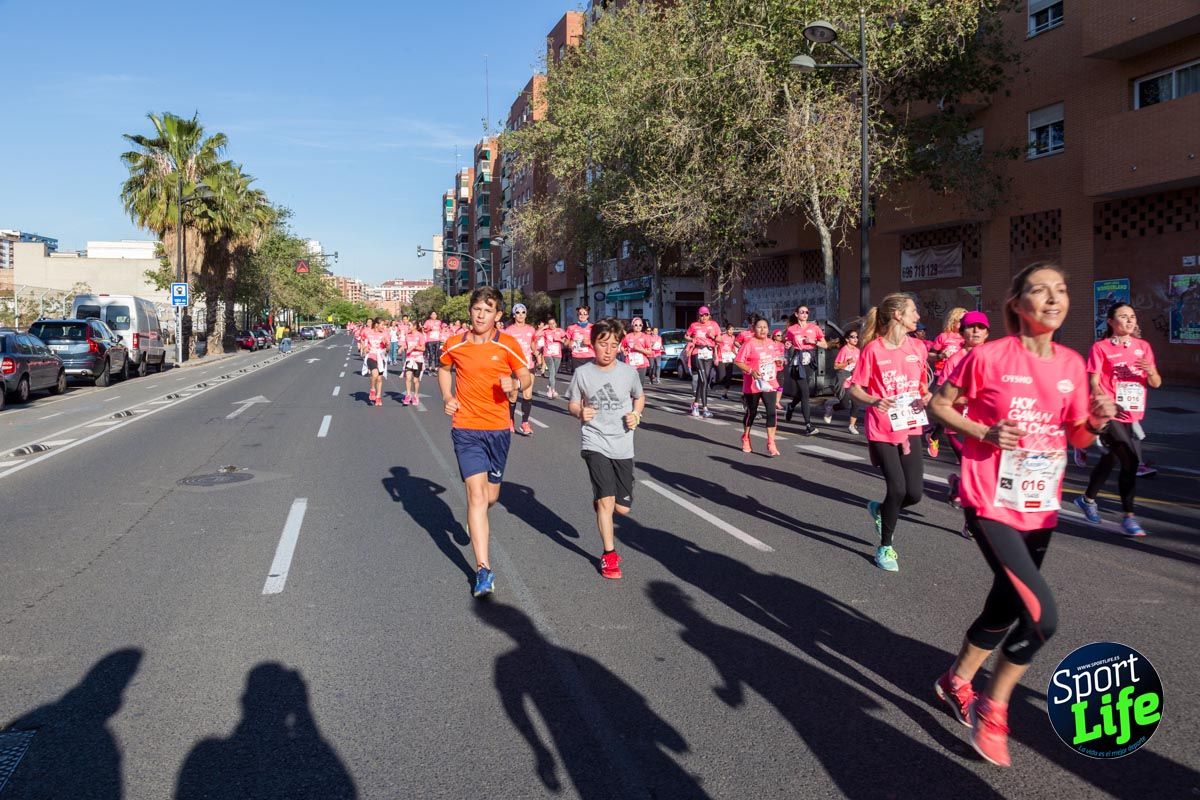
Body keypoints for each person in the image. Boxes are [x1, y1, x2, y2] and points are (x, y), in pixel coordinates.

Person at [928, 262, 1116, 768]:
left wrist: (1096, 419)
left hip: (1039, 504)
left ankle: (955, 680)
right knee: (1041, 616)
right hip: (989, 498)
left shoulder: (1073, 365)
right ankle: (994, 707)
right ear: (1017, 303)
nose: (1053, 299)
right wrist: (984, 432)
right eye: (1039, 290)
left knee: (1004, 607)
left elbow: (1076, 436)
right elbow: (939, 405)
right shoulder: (988, 357)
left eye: (1061, 290)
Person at [438, 287, 533, 598]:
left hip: (498, 430)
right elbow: (443, 368)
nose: (480, 315)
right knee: (476, 498)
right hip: (465, 428)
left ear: (498, 316)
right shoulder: (455, 343)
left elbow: (527, 376)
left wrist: (515, 384)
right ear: (470, 311)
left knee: (491, 497)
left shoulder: (507, 344)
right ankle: (483, 569)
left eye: (487, 310)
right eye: (476, 309)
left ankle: (476, 520)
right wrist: (448, 396)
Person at [849, 295, 931, 572]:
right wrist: (873, 401)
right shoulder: (873, 350)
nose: (917, 316)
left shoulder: (919, 347)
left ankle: (881, 510)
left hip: (911, 425)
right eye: (913, 311)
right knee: (896, 488)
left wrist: (926, 396)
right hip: (882, 427)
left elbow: (922, 385)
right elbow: (854, 388)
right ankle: (885, 547)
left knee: (915, 494)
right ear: (897, 314)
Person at [567, 318, 646, 579]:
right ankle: (609, 555)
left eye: (613, 345)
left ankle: (603, 501)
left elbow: (639, 396)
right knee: (606, 501)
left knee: (622, 509)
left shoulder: (628, 373)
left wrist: (636, 414)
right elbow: (573, 404)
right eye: (603, 344)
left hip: (623, 444)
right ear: (593, 345)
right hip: (595, 441)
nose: (608, 350)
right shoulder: (582, 373)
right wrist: (581, 411)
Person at [1075, 302, 1163, 536]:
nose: (1129, 320)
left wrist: (1150, 370)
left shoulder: (1143, 347)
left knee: (1111, 460)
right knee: (1131, 460)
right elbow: (1093, 382)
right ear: (1111, 322)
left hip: (1132, 413)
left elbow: (1156, 382)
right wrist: (1104, 401)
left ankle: (1087, 499)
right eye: (1123, 317)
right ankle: (1129, 517)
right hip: (1109, 413)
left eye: (1132, 316)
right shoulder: (1101, 347)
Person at [940, 310, 991, 522]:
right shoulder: (955, 360)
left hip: (985, 425)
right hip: (957, 424)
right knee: (971, 467)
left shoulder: (993, 358)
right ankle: (971, 523)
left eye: (981, 327)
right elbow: (941, 395)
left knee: (980, 471)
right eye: (971, 327)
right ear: (962, 332)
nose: (976, 331)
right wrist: (970, 399)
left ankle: (957, 485)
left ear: (987, 333)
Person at [733, 316, 781, 456]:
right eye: (759, 327)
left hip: (769, 383)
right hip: (753, 384)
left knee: (771, 412)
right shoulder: (749, 344)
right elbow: (738, 361)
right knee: (752, 412)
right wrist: (750, 371)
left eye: (765, 327)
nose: (762, 329)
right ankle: (746, 437)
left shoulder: (772, 343)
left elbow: (773, 360)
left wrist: (777, 364)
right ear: (754, 329)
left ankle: (771, 442)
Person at [926, 308, 968, 458]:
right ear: (953, 320)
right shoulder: (944, 337)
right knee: (946, 409)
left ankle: (936, 435)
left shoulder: (967, 338)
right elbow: (929, 355)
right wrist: (941, 355)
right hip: (942, 376)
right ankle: (935, 437)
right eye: (962, 320)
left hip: (960, 378)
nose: (965, 324)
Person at [784, 305, 828, 435]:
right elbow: (788, 342)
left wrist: (813, 341)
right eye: (802, 312)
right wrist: (788, 344)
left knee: (804, 391)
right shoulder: (792, 329)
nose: (804, 314)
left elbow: (825, 344)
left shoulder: (814, 328)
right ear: (796, 314)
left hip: (810, 361)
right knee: (805, 393)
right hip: (798, 361)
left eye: (807, 312)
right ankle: (808, 425)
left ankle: (791, 406)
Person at [505, 304, 539, 436]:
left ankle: (525, 422)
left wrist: (536, 353)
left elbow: (533, 344)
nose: (520, 315)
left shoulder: (531, 329)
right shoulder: (509, 331)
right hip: (514, 367)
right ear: (514, 315)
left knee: (527, 395)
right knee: (513, 395)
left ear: (526, 314)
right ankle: (510, 419)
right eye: (517, 312)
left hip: (528, 365)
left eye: (523, 312)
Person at [823, 328, 862, 435]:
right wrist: (848, 362)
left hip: (854, 380)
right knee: (845, 405)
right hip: (843, 380)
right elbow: (836, 366)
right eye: (852, 337)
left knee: (856, 404)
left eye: (856, 337)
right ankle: (831, 408)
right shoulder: (844, 350)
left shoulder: (858, 351)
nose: (855, 339)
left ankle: (852, 425)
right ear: (847, 339)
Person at [685, 306, 720, 418]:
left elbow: (720, 339)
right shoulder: (694, 325)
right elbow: (686, 336)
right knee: (704, 380)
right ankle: (705, 408)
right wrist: (692, 339)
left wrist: (713, 336)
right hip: (697, 353)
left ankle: (695, 404)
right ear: (698, 315)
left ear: (709, 315)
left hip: (708, 354)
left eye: (706, 315)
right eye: (701, 315)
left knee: (703, 381)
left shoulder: (714, 325)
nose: (704, 317)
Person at [363, 319, 390, 407]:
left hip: (381, 358)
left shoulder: (385, 334)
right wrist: (365, 348)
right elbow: (365, 344)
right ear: (376, 325)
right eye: (382, 325)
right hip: (371, 356)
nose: (383, 326)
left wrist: (387, 345)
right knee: (374, 374)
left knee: (379, 379)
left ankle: (378, 397)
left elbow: (388, 350)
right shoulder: (368, 333)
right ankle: (372, 389)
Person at [620, 317, 654, 386]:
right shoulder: (628, 336)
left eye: (640, 325)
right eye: (636, 325)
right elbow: (622, 347)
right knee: (630, 384)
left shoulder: (645, 337)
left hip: (642, 363)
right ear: (632, 326)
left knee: (639, 385)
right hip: (630, 363)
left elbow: (650, 351)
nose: (638, 327)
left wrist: (640, 350)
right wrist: (624, 351)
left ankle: (638, 396)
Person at [539, 317, 565, 398]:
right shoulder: (546, 332)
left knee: (554, 373)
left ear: (556, 323)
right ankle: (551, 390)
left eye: (553, 323)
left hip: (558, 355)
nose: (552, 325)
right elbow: (536, 335)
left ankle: (551, 387)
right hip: (548, 354)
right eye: (550, 324)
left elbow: (566, 340)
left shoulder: (560, 331)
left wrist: (560, 340)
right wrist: (543, 327)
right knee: (552, 372)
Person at [401, 323, 426, 405]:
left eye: (410, 326)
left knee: (415, 380)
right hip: (409, 359)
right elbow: (405, 345)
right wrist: (401, 348)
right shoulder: (407, 335)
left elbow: (423, 348)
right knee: (408, 377)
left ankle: (415, 395)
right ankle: (408, 395)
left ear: (415, 327)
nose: (408, 327)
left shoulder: (420, 335)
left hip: (418, 359)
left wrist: (415, 347)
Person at [565, 306, 595, 372]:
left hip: (590, 356)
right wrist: (569, 344)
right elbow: (566, 342)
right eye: (580, 314)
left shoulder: (592, 327)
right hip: (576, 356)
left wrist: (589, 342)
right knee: (578, 378)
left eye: (585, 314)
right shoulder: (571, 328)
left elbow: (598, 343)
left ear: (588, 316)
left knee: (589, 378)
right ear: (577, 315)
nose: (582, 315)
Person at [714, 323, 738, 399]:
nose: (731, 331)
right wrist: (716, 357)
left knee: (728, 377)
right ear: (726, 330)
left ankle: (724, 394)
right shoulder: (722, 337)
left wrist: (737, 354)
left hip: (729, 359)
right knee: (721, 377)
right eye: (729, 329)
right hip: (721, 358)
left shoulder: (733, 337)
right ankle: (712, 382)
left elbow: (732, 348)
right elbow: (715, 346)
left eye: (732, 330)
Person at [423, 311, 445, 377]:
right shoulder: (427, 321)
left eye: (435, 314)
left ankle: (435, 369)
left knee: (437, 354)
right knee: (431, 354)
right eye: (432, 314)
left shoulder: (439, 322)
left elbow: (442, 330)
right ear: (430, 315)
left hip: (437, 340)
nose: (434, 315)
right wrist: (429, 329)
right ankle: (429, 369)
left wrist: (441, 337)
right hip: (430, 340)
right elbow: (424, 330)